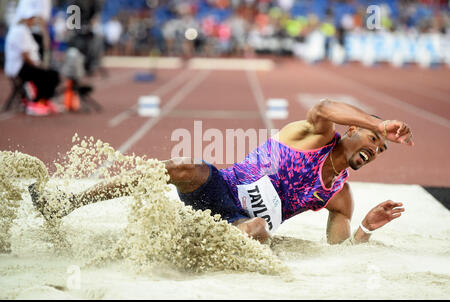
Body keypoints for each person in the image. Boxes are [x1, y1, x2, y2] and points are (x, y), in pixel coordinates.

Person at [29, 99, 414, 244]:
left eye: (381, 149)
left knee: (259, 231)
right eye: (373, 140)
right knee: (184, 164)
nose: (377, 149)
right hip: (217, 189)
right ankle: (67, 202)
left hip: (239, 223)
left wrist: (364, 227)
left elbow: (339, 254)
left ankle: (184, 244)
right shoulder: (315, 135)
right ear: (353, 130)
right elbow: (325, 106)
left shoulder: (339, 196)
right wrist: (381, 124)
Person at [4, 5, 60, 115]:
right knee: (50, 75)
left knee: (49, 73)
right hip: (19, 67)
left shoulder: (22, 29)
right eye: (31, 18)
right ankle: (36, 102)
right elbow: (25, 54)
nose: (33, 21)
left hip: (21, 66)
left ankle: (42, 100)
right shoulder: (20, 31)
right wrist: (37, 66)